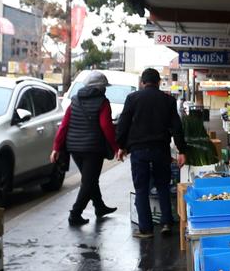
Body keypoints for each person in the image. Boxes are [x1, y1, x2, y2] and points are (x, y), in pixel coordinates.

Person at [116, 68, 187, 238]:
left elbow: (123, 124)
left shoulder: (132, 98)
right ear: (158, 82)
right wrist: (182, 150)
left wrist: (121, 146)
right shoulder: (168, 100)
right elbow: (177, 127)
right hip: (160, 149)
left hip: (139, 150)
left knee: (141, 188)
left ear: (142, 82)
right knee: (163, 185)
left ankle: (146, 229)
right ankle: (166, 223)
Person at [50, 70, 118, 226]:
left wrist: (56, 147)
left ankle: (99, 207)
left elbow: (64, 126)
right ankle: (75, 214)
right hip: (93, 149)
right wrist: (115, 147)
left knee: (90, 179)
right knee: (88, 182)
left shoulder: (75, 100)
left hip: (74, 148)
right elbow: (106, 126)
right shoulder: (102, 102)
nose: (105, 89)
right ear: (100, 87)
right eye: (104, 87)